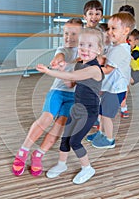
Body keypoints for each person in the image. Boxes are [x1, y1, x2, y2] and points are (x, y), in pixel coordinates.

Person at [12, 18, 83, 177]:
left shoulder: (84, 53)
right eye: (66, 33)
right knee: (46, 119)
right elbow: (59, 56)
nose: (68, 37)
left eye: (73, 33)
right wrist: (58, 62)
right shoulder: (63, 49)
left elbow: (74, 82)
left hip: (73, 97)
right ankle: (22, 152)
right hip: (57, 92)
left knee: (59, 127)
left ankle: (38, 154)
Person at [36, 28, 104, 184]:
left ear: (99, 49)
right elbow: (71, 83)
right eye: (82, 44)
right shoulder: (80, 65)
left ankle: (88, 168)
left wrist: (49, 72)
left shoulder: (94, 69)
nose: (85, 49)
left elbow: (73, 76)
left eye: (90, 45)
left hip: (89, 112)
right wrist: (61, 69)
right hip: (77, 107)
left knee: (75, 141)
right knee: (66, 137)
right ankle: (61, 164)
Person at [86, 12, 136, 148]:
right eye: (109, 28)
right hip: (110, 88)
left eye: (114, 28)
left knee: (106, 116)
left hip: (115, 90)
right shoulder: (115, 47)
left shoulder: (119, 50)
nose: (109, 32)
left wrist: (90, 70)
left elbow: (108, 69)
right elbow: (103, 59)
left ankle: (109, 140)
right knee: (102, 113)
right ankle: (100, 133)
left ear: (126, 31)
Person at [118, 4, 136, 118]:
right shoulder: (114, 29)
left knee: (125, 84)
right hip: (114, 60)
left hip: (125, 63)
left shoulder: (132, 34)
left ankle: (123, 106)